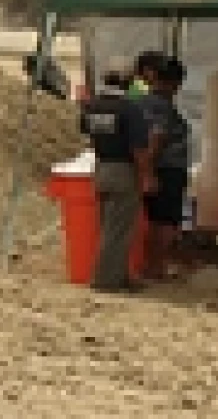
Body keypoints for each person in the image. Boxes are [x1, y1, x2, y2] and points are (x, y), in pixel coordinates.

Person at [80, 71, 152, 292]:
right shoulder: (130, 109)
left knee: (107, 226)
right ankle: (105, 281)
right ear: (128, 83)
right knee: (118, 230)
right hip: (123, 170)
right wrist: (146, 176)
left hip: (101, 168)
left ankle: (120, 276)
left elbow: (88, 136)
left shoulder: (91, 107)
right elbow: (138, 149)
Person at [137, 56, 192, 282]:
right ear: (174, 82)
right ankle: (155, 268)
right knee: (165, 222)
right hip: (166, 170)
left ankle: (152, 265)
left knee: (154, 219)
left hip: (154, 168)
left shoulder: (141, 103)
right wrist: (149, 173)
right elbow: (156, 138)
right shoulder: (162, 107)